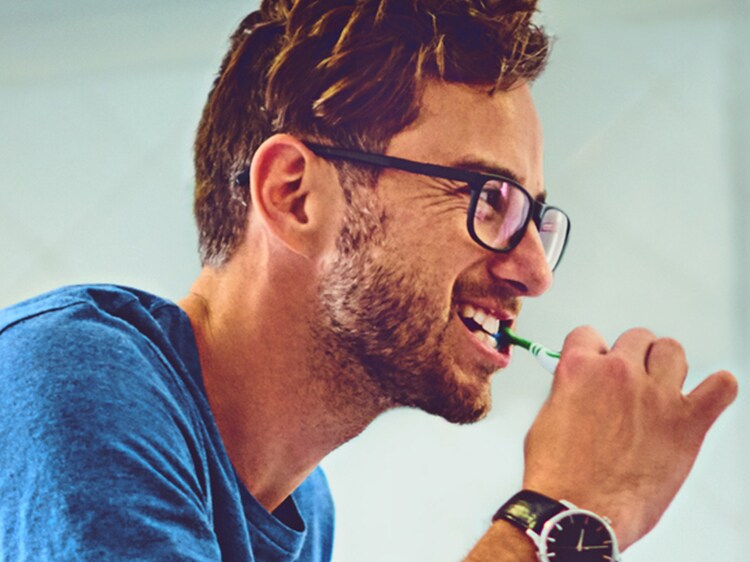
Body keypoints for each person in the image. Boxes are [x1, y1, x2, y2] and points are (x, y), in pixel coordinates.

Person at [0, 0, 738, 560]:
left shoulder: (303, 508)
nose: (536, 272)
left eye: (534, 218)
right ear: (295, 195)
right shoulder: (70, 380)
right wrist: (557, 516)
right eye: (489, 199)